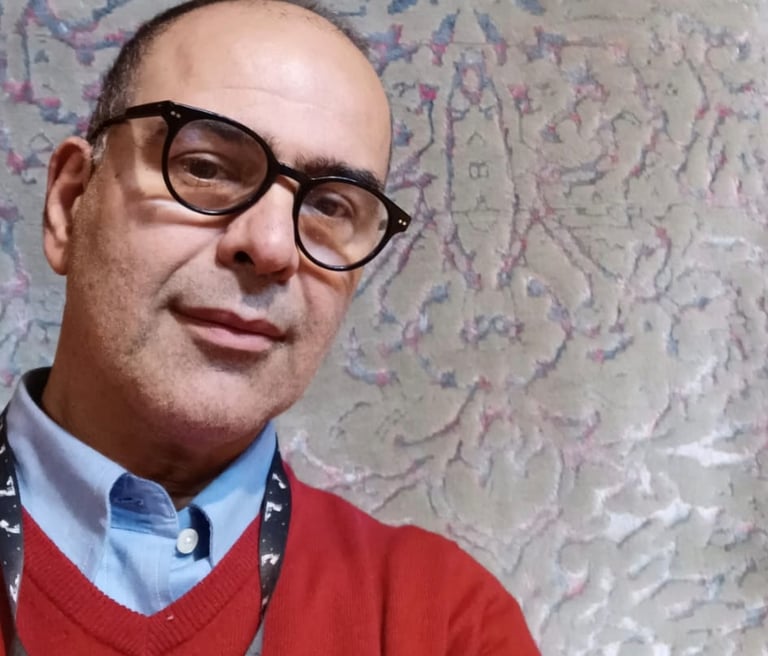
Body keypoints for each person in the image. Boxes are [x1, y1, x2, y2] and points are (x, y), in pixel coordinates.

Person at [0, 0, 540, 653]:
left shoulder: (446, 621)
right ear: (69, 205)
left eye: (331, 206)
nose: (272, 246)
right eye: (204, 167)